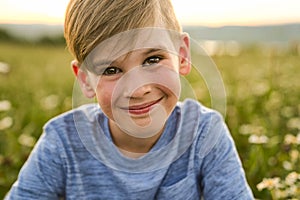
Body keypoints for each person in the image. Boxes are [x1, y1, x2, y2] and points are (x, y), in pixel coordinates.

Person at [6, 0, 254, 199]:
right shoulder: (62, 141)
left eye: (153, 59)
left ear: (182, 55)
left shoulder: (204, 133)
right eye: (111, 70)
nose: (138, 89)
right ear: (85, 81)